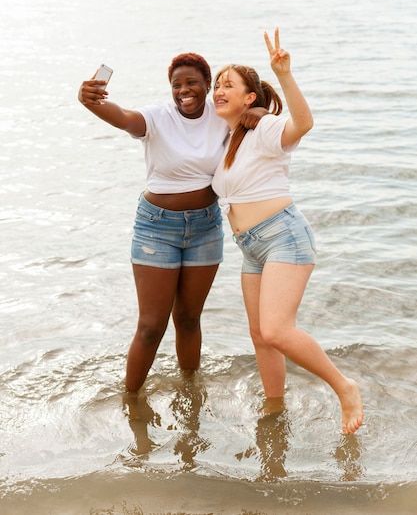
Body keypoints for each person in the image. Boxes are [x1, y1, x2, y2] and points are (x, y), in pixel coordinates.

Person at [78, 53, 265, 393]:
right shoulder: (157, 117)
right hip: (157, 228)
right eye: (176, 85)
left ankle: (189, 393)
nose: (184, 90)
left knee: (189, 319)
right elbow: (123, 117)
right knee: (151, 325)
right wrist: (90, 102)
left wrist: (259, 111)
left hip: (205, 228)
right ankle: (130, 399)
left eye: (192, 82)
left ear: (208, 86)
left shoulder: (220, 115)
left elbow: (257, 113)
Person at [211, 28, 364, 434]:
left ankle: (344, 387)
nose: (218, 90)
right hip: (250, 247)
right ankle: (274, 409)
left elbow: (304, 123)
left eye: (229, 85)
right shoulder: (225, 139)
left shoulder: (265, 129)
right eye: (217, 85)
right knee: (261, 335)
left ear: (250, 97)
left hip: (283, 235)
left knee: (278, 329)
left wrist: (284, 75)